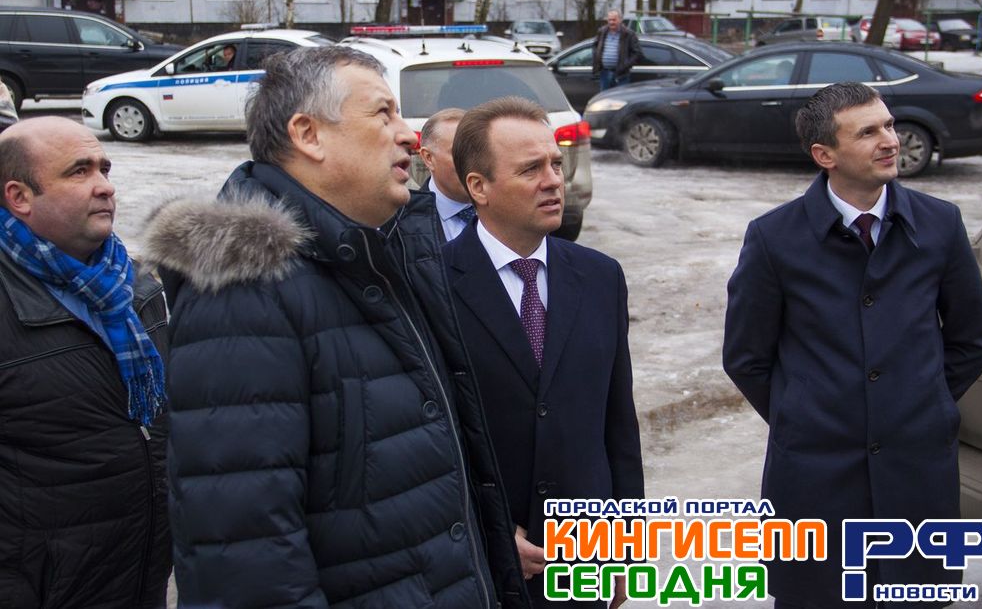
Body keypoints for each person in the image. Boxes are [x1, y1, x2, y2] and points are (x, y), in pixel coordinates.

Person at [143, 46, 529, 608]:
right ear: (309, 135)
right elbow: (247, 556)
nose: (408, 135)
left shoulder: (374, 256)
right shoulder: (245, 293)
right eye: (383, 114)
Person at [722, 82, 982, 607]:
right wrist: (804, 413)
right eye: (867, 132)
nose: (890, 140)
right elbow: (746, 356)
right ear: (825, 155)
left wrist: (922, 402)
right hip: (815, 477)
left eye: (888, 125)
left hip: (917, 472)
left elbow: (973, 339)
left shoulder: (939, 224)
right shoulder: (775, 238)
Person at [443, 97, 643, 608]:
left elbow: (617, 423)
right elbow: (431, 440)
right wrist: (484, 526)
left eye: (556, 164)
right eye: (531, 169)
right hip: (483, 567)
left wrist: (629, 544)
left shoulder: (601, 276)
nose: (554, 180)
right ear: (478, 187)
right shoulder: (433, 283)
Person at [0, 117, 171, 607]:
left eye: (104, 168)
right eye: (79, 171)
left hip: (142, 571)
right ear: (19, 197)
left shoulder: (134, 282)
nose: (105, 186)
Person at [419, 107, 476, 240]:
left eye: (477, 151)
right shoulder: (399, 223)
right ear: (428, 158)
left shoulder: (507, 211)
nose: (473, 161)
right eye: (459, 152)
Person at [592, 10, 642, 91]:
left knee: (620, 97)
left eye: (614, 20)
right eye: (609, 20)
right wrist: (597, 61)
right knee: (605, 98)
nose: (611, 22)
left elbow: (637, 53)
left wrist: (624, 66)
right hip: (605, 73)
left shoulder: (628, 34)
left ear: (620, 20)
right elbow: (595, 47)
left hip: (621, 75)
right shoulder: (602, 32)